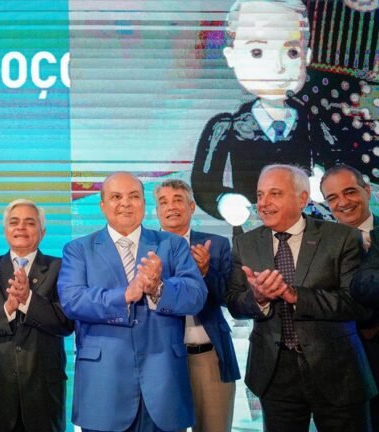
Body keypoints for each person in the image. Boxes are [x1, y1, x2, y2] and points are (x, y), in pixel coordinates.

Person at [225, 164, 375, 431]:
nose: (264, 203)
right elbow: (235, 303)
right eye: (260, 195)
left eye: (275, 194)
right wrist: (258, 298)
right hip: (274, 374)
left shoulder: (341, 237)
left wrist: (296, 296)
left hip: (338, 370)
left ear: (302, 198)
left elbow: (356, 304)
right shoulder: (244, 244)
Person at [57, 172, 207, 432]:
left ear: (144, 203)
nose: (125, 203)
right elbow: (73, 300)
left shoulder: (171, 244)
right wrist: (125, 295)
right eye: (116, 197)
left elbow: (196, 295)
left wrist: (158, 288)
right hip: (104, 388)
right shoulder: (78, 249)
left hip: (164, 385)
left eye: (134, 196)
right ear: (102, 205)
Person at [191, 0, 335, 225]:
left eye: (291, 52)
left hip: (308, 231)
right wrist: (224, 201)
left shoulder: (310, 122)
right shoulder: (226, 127)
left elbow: (334, 163)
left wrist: (323, 179)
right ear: (231, 56)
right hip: (253, 234)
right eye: (257, 52)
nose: (278, 67)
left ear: (307, 56)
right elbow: (205, 183)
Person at [0, 199, 73, 432]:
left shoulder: (61, 268)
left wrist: (29, 300)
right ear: (5, 230)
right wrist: (8, 308)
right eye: (14, 222)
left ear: (43, 232)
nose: (21, 227)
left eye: (30, 222)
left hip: (44, 398)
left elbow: (66, 323)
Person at [153, 179, 239, 432]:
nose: (171, 207)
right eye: (164, 202)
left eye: (178, 200)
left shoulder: (216, 245)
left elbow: (230, 299)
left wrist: (205, 272)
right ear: (157, 211)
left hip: (209, 356)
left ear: (191, 206)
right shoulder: (145, 248)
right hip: (162, 359)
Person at [321, 163, 379, 429]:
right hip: (342, 365)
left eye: (350, 192)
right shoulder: (317, 244)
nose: (343, 202)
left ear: (367, 190)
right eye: (332, 197)